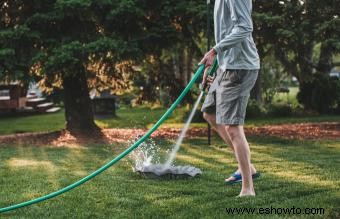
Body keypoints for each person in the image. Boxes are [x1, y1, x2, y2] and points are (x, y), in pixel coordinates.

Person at [199, 0, 260, 197]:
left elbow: (244, 27)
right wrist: (213, 65)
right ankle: (247, 167)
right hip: (226, 67)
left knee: (233, 127)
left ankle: (248, 188)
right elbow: (226, 33)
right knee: (210, 113)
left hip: (241, 67)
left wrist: (214, 50)